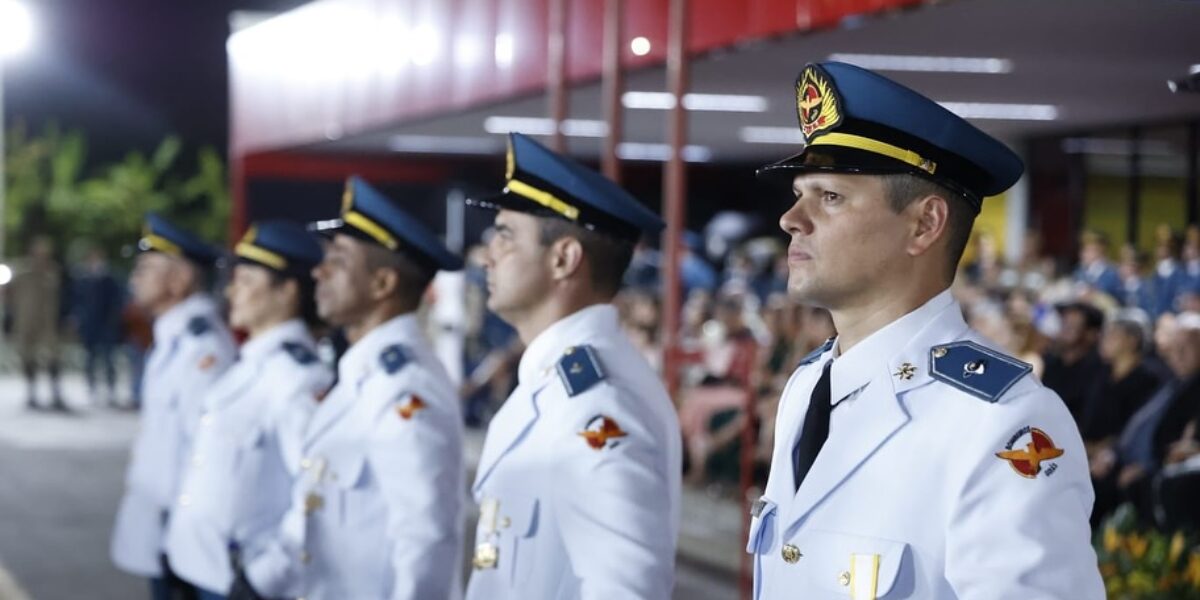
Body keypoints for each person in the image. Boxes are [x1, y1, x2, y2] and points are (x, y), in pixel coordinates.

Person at [746, 62, 1102, 598]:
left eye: (831, 196)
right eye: (799, 193)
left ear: (924, 225)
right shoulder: (809, 386)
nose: (791, 218)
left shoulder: (1001, 422)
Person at [464, 132, 681, 599]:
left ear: (563, 258)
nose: (488, 255)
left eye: (504, 235)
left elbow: (627, 589)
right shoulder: (553, 384)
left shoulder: (594, 404)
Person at [237, 177, 465, 600]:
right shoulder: (363, 372)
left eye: (338, 261)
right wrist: (263, 579)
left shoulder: (404, 385)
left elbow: (426, 539)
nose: (319, 271)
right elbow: (314, 497)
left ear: (383, 285)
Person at [163, 221, 332, 600]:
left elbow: (315, 496)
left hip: (245, 584)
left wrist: (265, 579)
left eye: (246, 280)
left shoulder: (297, 380)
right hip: (205, 570)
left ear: (287, 292)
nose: (231, 291)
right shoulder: (252, 364)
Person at [111, 215, 238, 600]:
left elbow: (206, 454)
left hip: (181, 529)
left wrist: (180, 530)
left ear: (180, 280)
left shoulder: (202, 350)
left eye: (147, 269)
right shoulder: (174, 338)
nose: (135, 278)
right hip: (165, 526)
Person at [9, 236, 67, 410]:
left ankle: (56, 394)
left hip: (47, 324)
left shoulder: (53, 271)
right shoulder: (22, 271)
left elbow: (62, 297)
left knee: (53, 358)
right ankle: (31, 394)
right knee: (28, 359)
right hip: (26, 323)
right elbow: (10, 295)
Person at [71, 245, 124, 406]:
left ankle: (110, 390)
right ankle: (92, 388)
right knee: (90, 360)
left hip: (106, 326)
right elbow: (77, 300)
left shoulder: (110, 278)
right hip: (90, 327)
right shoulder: (83, 279)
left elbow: (117, 300)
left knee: (108, 360)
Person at [1041, 301, 1107, 428]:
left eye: (1072, 326)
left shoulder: (1099, 374)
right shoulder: (1050, 361)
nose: (1063, 331)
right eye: (1063, 323)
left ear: (1091, 334)